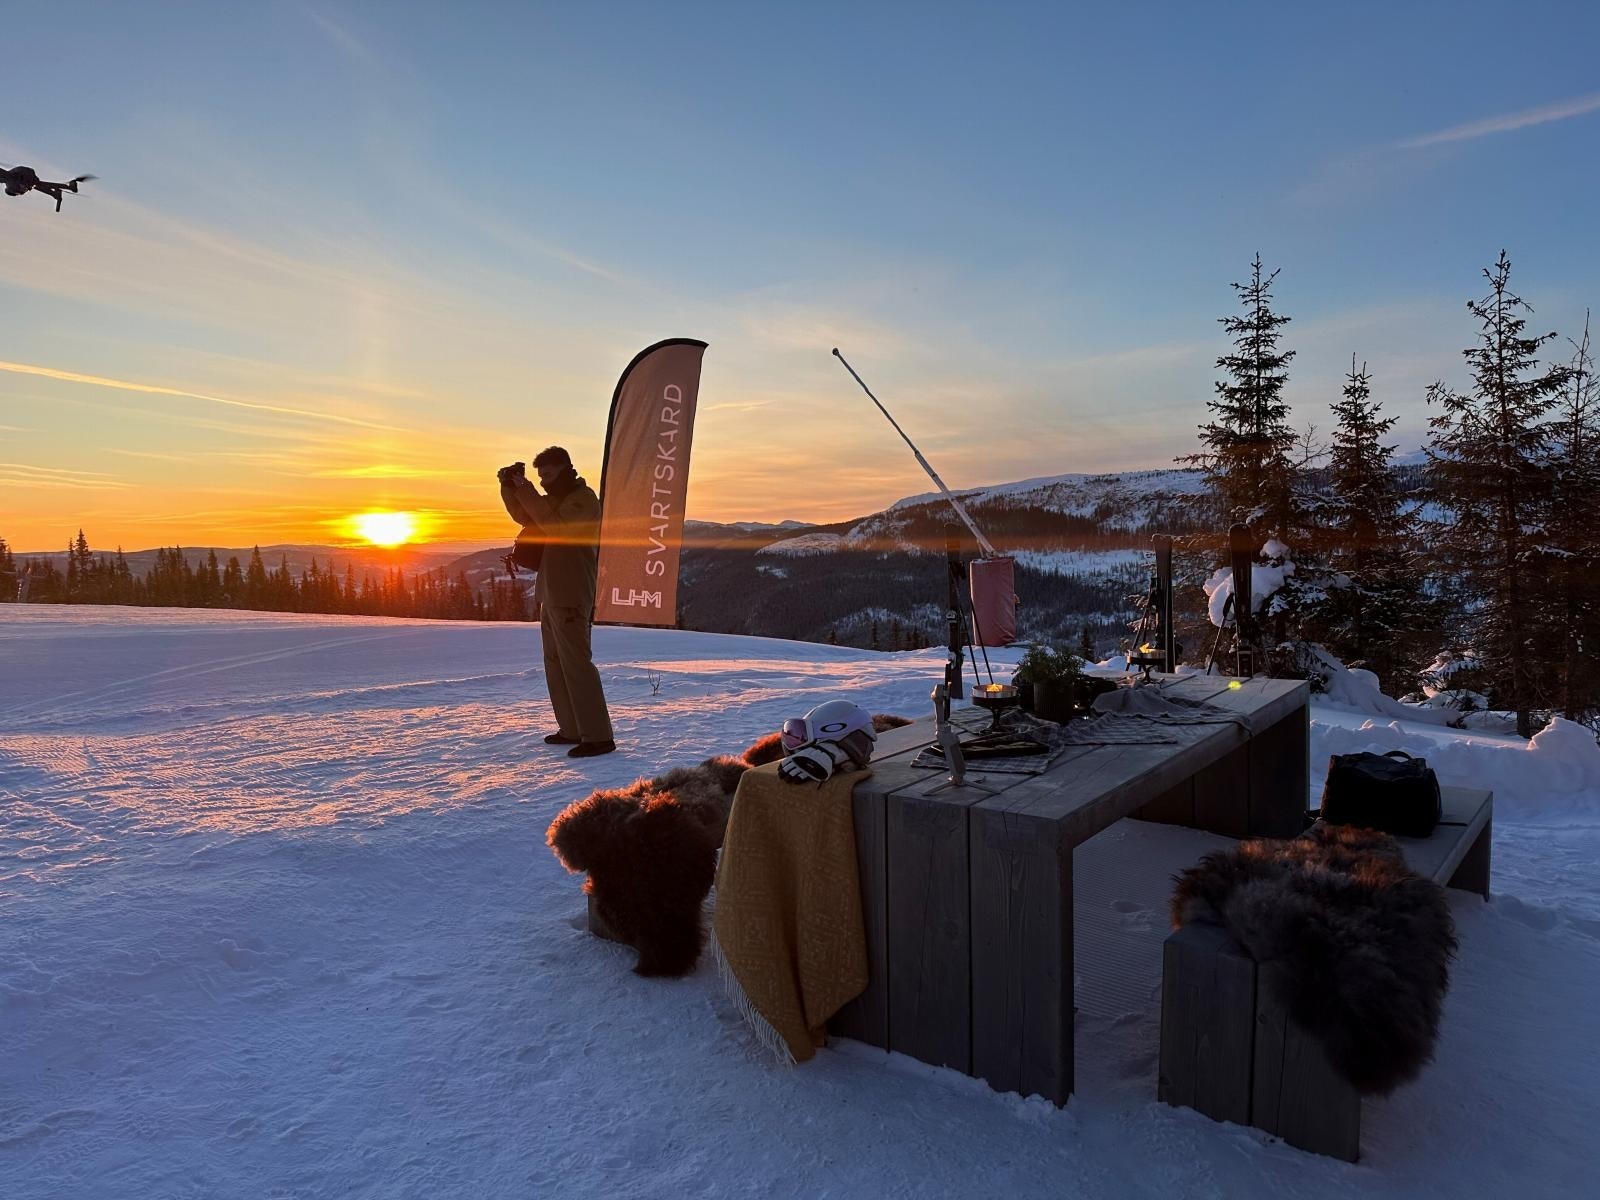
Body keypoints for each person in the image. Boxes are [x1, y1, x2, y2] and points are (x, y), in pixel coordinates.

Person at [499, 446, 616, 757]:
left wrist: (527, 490)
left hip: (572, 593)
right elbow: (525, 515)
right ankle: (573, 729)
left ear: (565, 468)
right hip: (551, 593)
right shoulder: (556, 500)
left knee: (577, 664)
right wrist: (509, 488)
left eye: (548, 475)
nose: (544, 482)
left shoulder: (583, 500)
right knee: (555, 664)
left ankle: (598, 735)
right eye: (540, 477)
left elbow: (556, 527)